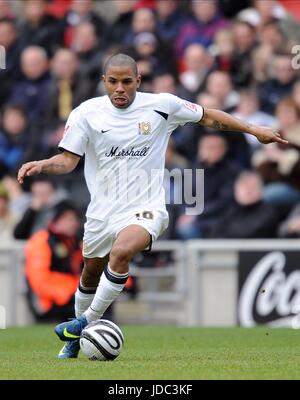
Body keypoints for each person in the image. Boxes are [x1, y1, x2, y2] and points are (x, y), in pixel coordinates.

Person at [17, 53, 287, 359]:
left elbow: (209, 116)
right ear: (104, 81)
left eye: (127, 82)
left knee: (121, 252)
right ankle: (76, 339)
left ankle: (85, 322)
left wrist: (254, 130)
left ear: (138, 81)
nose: (120, 88)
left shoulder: (162, 105)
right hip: (102, 212)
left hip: (147, 206)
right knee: (90, 274)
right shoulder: (86, 113)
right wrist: (43, 164)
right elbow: (68, 161)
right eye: (114, 82)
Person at [25, 200, 82, 323]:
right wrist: (71, 291)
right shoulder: (42, 240)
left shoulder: (73, 242)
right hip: (48, 304)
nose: (73, 223)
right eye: (67, 219)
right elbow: (39, 280)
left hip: (69, 298)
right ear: (55, 221)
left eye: (74, 219)